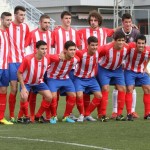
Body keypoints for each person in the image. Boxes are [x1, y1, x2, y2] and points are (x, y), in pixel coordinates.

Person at [78, 10, 115, 116]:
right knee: (86, 90)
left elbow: (115, 31)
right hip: (86, 64)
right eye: (91, 20)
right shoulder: (82, 32)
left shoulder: (104, 31)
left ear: (99, 21)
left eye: (95, 20)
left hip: (100, 64)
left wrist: (130, 27)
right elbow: (72, 38)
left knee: (100, 88)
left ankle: (100, 113)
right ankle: (85, 113)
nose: (93, 22)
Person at [51, 11, 81, 120]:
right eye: (66, 18)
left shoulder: (75, 32)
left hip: (71, 67)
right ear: (61, 19)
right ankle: (53, 114)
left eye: (69, 18)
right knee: (56, 93)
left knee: (70, 92)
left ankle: (69, 113)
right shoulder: (56, 31)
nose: (68, 20)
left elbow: (77, 48)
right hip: (57, 66)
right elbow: (51, 46)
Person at [111, 13, 140, 119]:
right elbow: (114, 45)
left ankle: (132, 110)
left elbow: (138, 46)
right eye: (126, 22)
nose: (128, 24)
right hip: (119, 61)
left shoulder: (136, 32)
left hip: (131, 63)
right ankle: (115, 111)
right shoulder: (118, 32)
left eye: (129, 22)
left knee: (132, 86)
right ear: (122, 23)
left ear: (131, 22)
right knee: (117, 86)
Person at [25, 14, 52, 122]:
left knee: (48, 92)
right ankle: (31, 115)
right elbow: (25, 46)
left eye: (48, 22)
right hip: (34, 66)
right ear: (40, 23)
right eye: (45, 22)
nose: (47, 24)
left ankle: (44, 115)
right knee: (33, 93)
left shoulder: (51, 34)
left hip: (47, 67)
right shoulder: (32, 34)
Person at [17, 40, 52, 123]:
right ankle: (25, 117)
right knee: (24, 96)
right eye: (42, 49)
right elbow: (19, 73)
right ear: (36, 49)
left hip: (39, 82)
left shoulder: (47, 58)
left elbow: (59, 57)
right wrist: (23, 87)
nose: (44, 51)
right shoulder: (28, 59)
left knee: (49, 97)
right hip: (27, 82)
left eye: (46, 49)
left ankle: (38, 116)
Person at [97, 31, 129, 122]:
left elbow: (135, 46)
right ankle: (102, 114)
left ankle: (119, 114)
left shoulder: (127, 48)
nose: (121, 42)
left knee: (122, 88)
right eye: (119, 40)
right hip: (104, 69)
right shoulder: (105, 48)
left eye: (123, 40)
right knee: (105, 88)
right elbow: (94, 54)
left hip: (117, 70)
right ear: (113, 41)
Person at [46, 40, 79, 124]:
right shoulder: (57, 57)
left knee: (73, 95)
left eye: (74, 50)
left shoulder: (76, 59)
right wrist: (59, 54)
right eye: (71, 50)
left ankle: (66, 116)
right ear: (65, 50)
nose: (73, 52)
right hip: (53, 78)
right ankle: (54, 116)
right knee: (53, 96)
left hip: (65, 78)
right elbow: (47, 56)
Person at [7, 6, 30, 123]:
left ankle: (23, 114)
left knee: (24, 89)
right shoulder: (9, 25)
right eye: (21, 15)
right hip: (11, 61)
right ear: (15, 15)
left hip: (22, 61)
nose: (23, 17)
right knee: (14, 89)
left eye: (24, 15)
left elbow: (27, 41)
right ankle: (11, 115)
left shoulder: (25, 27)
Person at [74, 36, 102, 122]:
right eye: (92, 45)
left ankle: (87, 114)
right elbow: (70, 53)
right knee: (79, 95)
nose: (95, 47)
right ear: (88, 45)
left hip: (91, 79)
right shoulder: (81, 53)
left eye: (96, 45)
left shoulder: (98, 52)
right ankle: (81, 114)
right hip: (79, 78)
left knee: (99, 96)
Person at [124, 34, 150, 121]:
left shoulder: (148, 50)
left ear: (145, 44)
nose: (141, 45)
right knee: (130, 89)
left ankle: (147, 113)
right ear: (136, 43)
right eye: (139, 43)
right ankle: (129, 113)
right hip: (129, 70)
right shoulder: (130, 46)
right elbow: (123, 52)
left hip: (141, 71)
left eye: (143, 43)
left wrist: (145, 67)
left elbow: (148, 58)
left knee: (148, 89)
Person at [0, 12, 13, 125]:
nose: (9, 22)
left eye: (10, 20)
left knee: (3, 90)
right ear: (2, 20)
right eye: (7, 20)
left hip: (5, 67)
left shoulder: (7, 33)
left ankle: (1, 117)